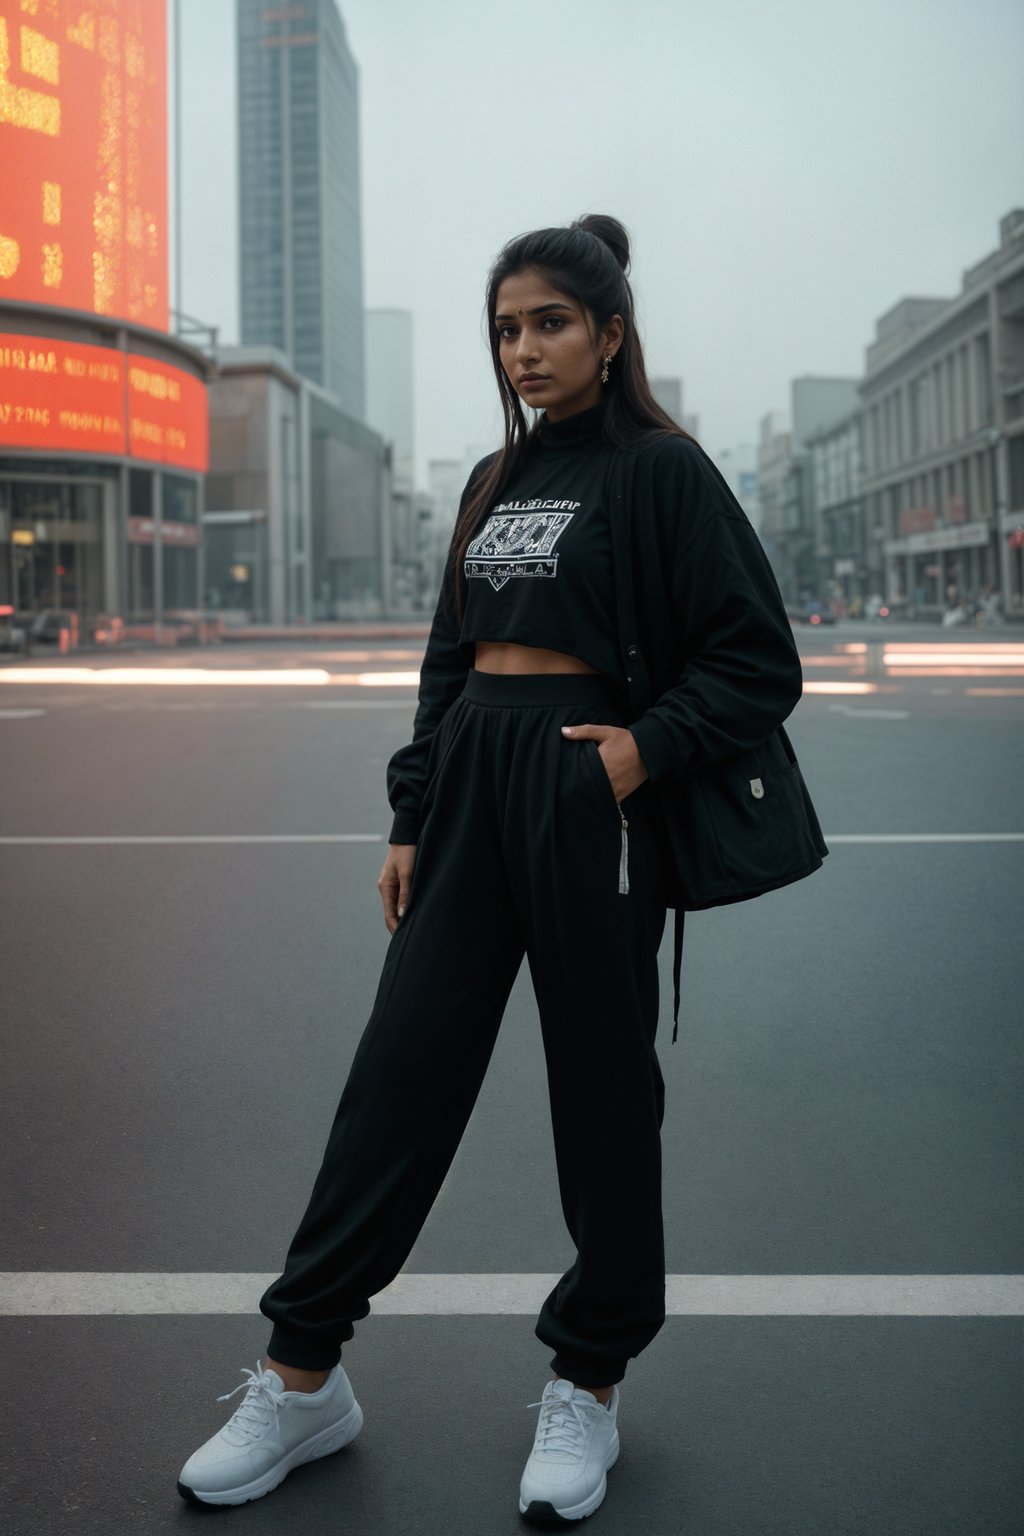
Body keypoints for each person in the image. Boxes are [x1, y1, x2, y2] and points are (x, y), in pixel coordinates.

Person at [177, 214, 805, 1522]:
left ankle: (591, 1382)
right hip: (471, 791)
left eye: (552, 323)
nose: (526, 349)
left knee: (603, 1100)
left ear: (612, 333)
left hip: (588, 800)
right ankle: (302, 1380)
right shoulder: (490, 482)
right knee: (395, 1084)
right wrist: (412, 816)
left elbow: (758, 662)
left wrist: (637, 756)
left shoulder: (661, 472)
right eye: (508, 329)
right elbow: (447, 666)